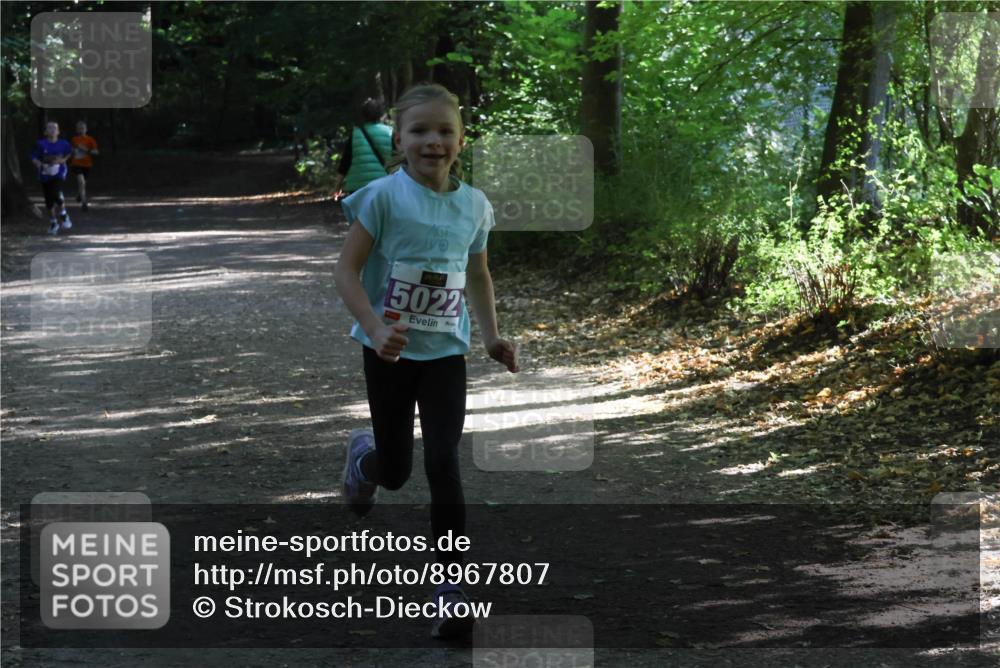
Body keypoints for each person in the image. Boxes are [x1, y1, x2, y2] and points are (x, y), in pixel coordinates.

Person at [333, 83, 519, 639]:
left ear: (462, 140)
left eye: (444, 131)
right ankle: (365, 461)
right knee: (395, 474)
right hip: (386, 353)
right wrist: (374, 326)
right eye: (419, 131)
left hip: (446, 355)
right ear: (399, 138)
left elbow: (479, 274)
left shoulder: (474, 205)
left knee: (443, 462)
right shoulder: (382, 197)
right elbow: (345, 272)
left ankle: (451, 590)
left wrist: (489, 337)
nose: (432, 141)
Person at [332, 97, 393, 201]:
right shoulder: (390, 132)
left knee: (360, 216)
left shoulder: (356, 134)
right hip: (384, 184)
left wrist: (337, 186)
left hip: (358, 187)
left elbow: (345, 162)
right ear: (380, 114)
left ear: (363, 115)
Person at [30, 121, 73, 235]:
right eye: (49, 128)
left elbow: (69, 153)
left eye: (55, 128)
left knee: (56, 192)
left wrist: (63, 160)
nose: (52, 129)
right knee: (48, 200)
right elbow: (33, 156)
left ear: (58, 131)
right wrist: (38, 163)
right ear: (45, 132)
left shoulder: (64, 144)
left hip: (59, 171)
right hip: (44, 173)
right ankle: (53, 222)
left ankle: (63, 215)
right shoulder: (40, 144)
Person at [69, 120, 99, 211]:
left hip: (87, 165)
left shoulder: (90, 139)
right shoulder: (74, 139)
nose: (81, 130)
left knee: (83, 183)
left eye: (82, 128)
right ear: (76, 130)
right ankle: (84, 203)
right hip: (76, 164)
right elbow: (70, 151)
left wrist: (86, 150)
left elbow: (96, 152)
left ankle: (79, 195)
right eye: (79, 128)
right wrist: (72, 151)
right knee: (81, 181)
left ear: (86, 129)